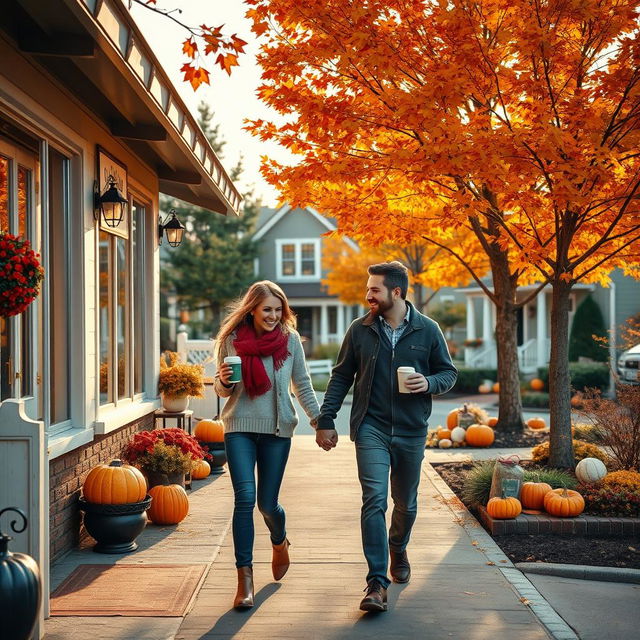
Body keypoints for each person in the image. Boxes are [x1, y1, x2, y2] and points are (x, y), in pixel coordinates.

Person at [316, 261, 457, 612]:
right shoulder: (360, 329)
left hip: (411, 431)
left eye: (374, 289)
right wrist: (325, 419)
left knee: (406, 505)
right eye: (368, 289)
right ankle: (376, 582)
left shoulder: (427, 330)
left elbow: (448, 373)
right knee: (374, 500)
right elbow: (341, 376)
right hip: (371, 428)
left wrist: (429, 383)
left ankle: (398, 546)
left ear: (396, 291)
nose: (368, 295)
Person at [214, 280, 320, 610]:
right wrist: (222, 380)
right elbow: (222, 390)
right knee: (244, 498)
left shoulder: (289, 341)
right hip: (239, 427)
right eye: (267, 310)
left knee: (267, 504)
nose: (273, 316)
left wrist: (319, 421)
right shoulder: (232, 340)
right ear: (253, 309)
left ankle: (279, 540)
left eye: (278, 310)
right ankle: (244, 579)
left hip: (276, 430)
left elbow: (302, 383)